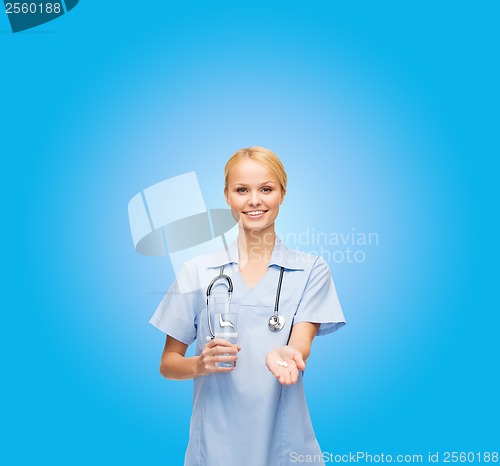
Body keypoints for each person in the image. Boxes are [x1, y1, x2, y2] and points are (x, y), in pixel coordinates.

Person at [150, 146, 346, 466]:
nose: (254, 200)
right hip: (214, 448)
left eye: (266, 189)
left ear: (282, 194)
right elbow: (169, 362)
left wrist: (288, 354)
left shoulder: (311, 269)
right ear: (227, 196)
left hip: (286, 445)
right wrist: (200, 364)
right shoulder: (197, 272)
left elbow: (301, 342)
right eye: (242, 190)